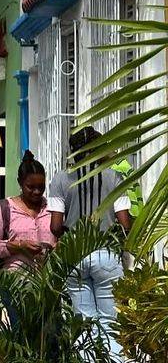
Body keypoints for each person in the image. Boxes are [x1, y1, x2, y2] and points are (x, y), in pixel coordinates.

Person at [49, 127, 132, 361]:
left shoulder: (61, 179)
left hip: (75, 255)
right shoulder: (114, 177)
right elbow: (125, 223)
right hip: (106, 255)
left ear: (72, 152)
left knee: (83, 321)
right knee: (110, 321)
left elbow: (55, 227)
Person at [0, 151, 56, 270]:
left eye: (41, 187)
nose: (37, 191)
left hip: (49, 281)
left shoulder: (52, 209)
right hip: (16, 283)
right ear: (20, 183)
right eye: (31, 187)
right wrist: (19, 245)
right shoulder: (5, 209)